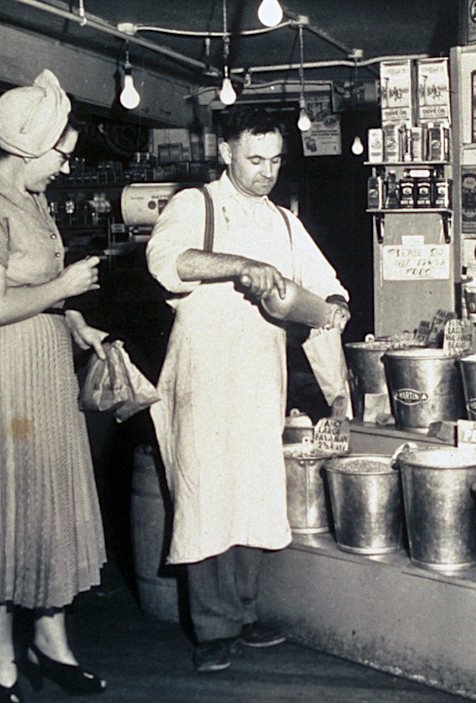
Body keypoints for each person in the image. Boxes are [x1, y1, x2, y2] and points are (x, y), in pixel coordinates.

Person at [146, 106, 350, 674]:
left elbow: (326, 285)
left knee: (254, 487)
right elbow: (166, 262)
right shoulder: (196, 204)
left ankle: (244, 610)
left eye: (276, 160)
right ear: (225, 152)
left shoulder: (285, 221)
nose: (266, 171)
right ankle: (212, 628)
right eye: (254, 159)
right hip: (203, 372)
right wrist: (241, 265)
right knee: (206, 490)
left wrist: (334, 307)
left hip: (262, 371)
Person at [0, 70, 109, 702]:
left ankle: (51, 642)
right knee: (1, 510)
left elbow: (31, 287)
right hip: (0, 376)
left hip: (44, 369)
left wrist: (75, 320)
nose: (67, 167)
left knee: (48, 507)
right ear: (27, 148)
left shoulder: (32, 199)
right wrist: (63, 290)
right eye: (62, 154)